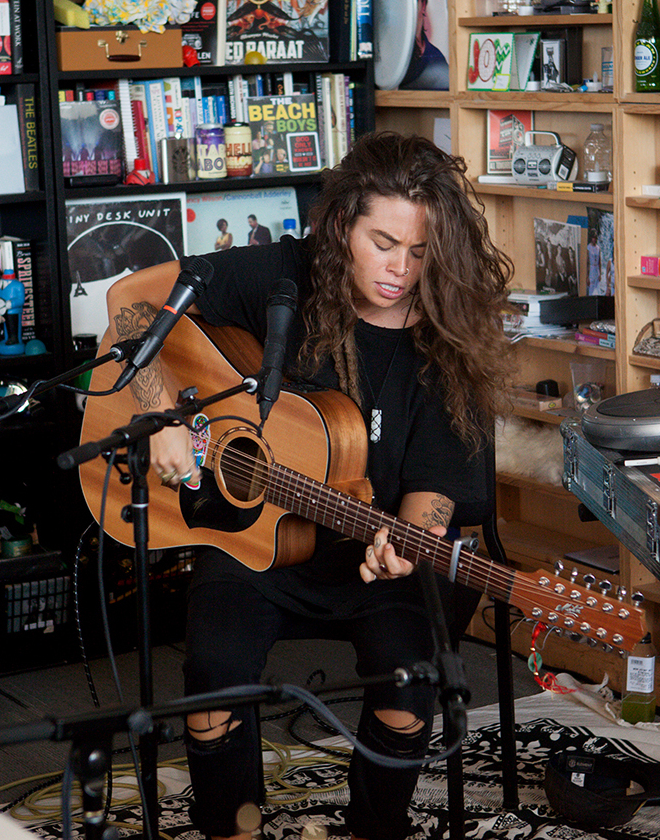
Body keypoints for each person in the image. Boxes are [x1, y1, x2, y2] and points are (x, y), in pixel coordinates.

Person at [99, 131, 513, 840]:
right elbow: (131, 303)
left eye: (419, 252)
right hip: (257, 540)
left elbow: (435, 495)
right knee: (215, 669)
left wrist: (403, 547)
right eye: (383, 243)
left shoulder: (450, 339)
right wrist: (161, 413)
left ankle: (374, 829)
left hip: (372, 556)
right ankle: (236, 829)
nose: (400, 270)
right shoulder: (285, 276)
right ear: (340, 225)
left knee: (408, 678)